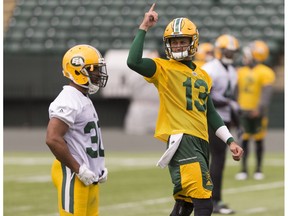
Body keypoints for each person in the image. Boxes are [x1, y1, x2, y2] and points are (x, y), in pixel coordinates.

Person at [126, 4, 244, 216]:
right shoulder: (163, 68)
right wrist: (144, 27)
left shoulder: (204, 75)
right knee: (205, 204)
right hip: (183, 141)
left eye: (182, 41)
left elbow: (211, 113)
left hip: (201, 141)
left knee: (185, 205)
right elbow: (133, 62)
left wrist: (230, 140)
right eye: (174, 41)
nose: (178, 45)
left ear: (193, 42)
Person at [45, 44, 109, 216]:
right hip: (74, 174)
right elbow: (53, 138)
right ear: (78, 71)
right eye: (93, 69)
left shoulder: (82, 97)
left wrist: (98, 167)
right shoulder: (69, 99)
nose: (97, 74)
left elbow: (84, 139)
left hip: (87, 175)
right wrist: (78, 169)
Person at [202, 34, 240, 215]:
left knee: (219, 161)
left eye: (232, 52)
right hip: (209, 119)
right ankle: (212, 200)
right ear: (219, 49)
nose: (230, 54)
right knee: (215, 160)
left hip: (224, 120)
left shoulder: (232, 71)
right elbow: (204, 97)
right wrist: (227, 103)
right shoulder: (209, 69)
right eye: (227, 51)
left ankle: (214, 199)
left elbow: (231, 99)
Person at [235, 40, 275, 181]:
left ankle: (258, 169)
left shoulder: (266, 72)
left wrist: (260, 108)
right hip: (243, 110)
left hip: (257, 112)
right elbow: (236, 91)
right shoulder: (240, 71)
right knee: (243, 141)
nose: (246, 57)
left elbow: (266, 93)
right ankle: (244, 169)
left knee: (258, 140)